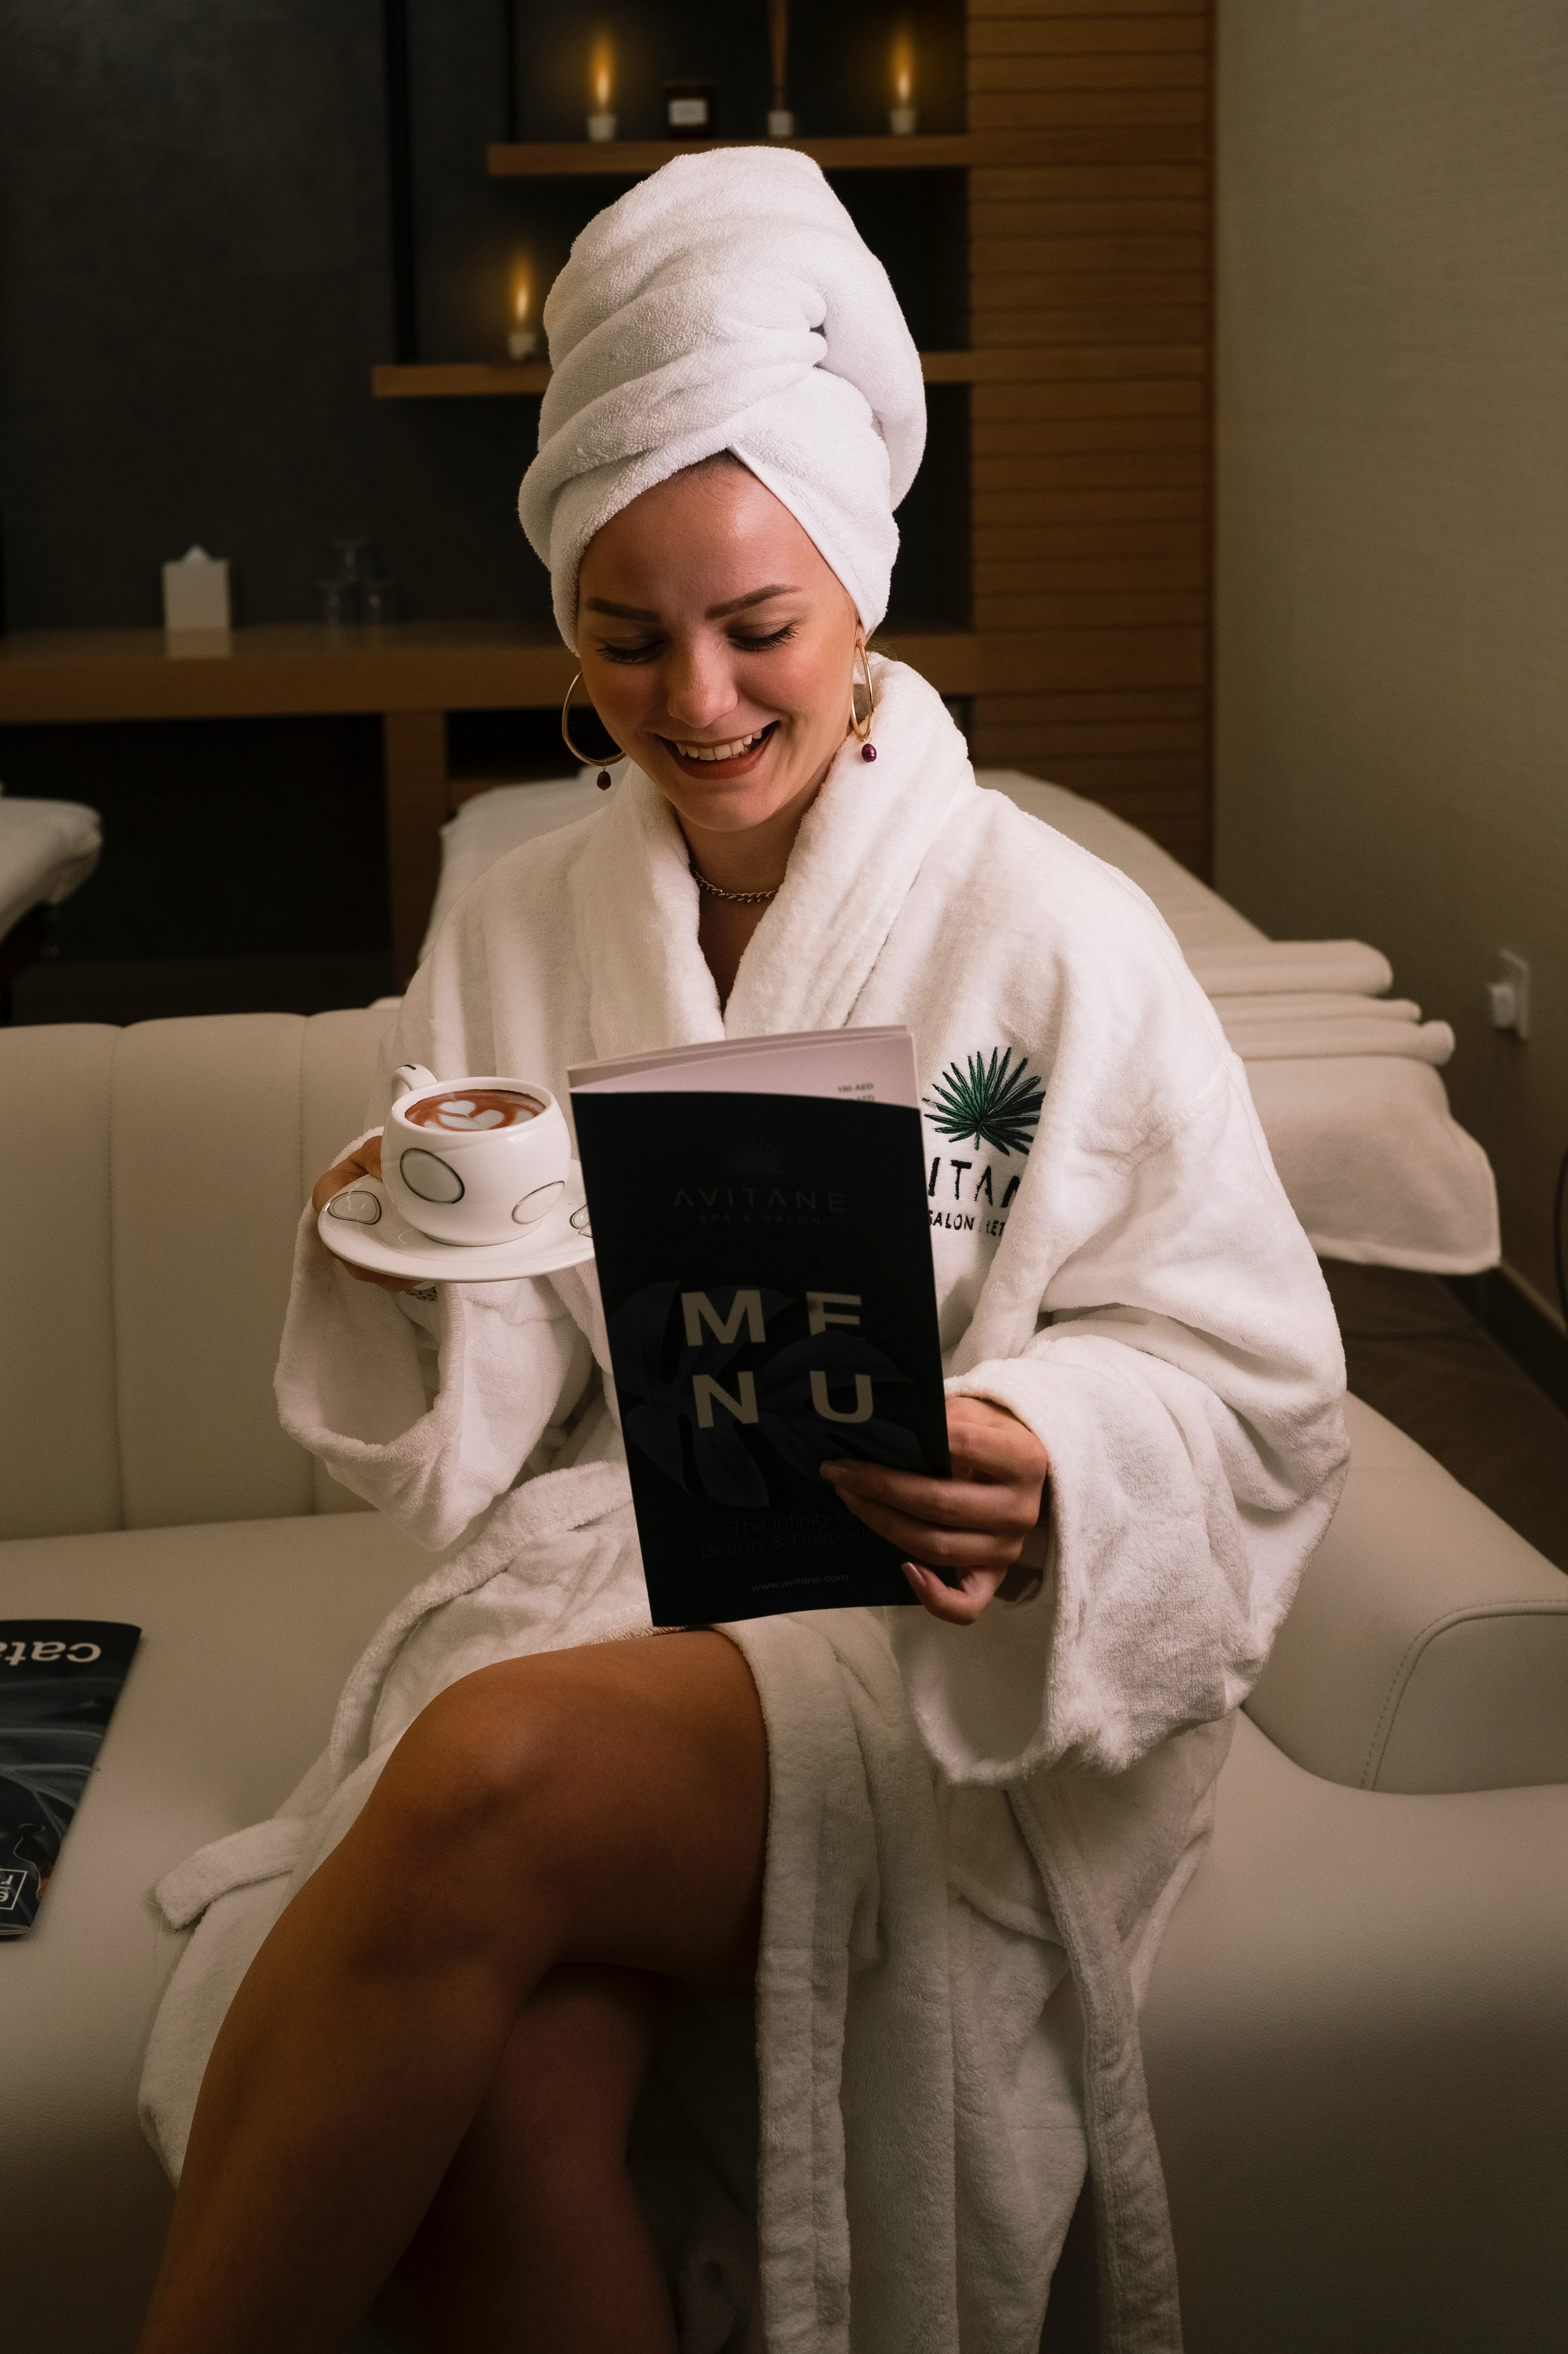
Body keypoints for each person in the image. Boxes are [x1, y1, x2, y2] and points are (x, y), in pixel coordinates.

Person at [135, 150, 1347, 2354]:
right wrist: (402, 1239)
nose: (691, 702)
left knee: (482, 1776)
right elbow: (480, 1414)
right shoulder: (515, 915)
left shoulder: (1049, 931)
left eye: (753, 627)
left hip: (939, 1645)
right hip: (632, 1580)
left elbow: (1255, 1377)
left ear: (857, 594)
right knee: (506, 2098)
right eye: (622, 640)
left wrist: (1050, 1445)